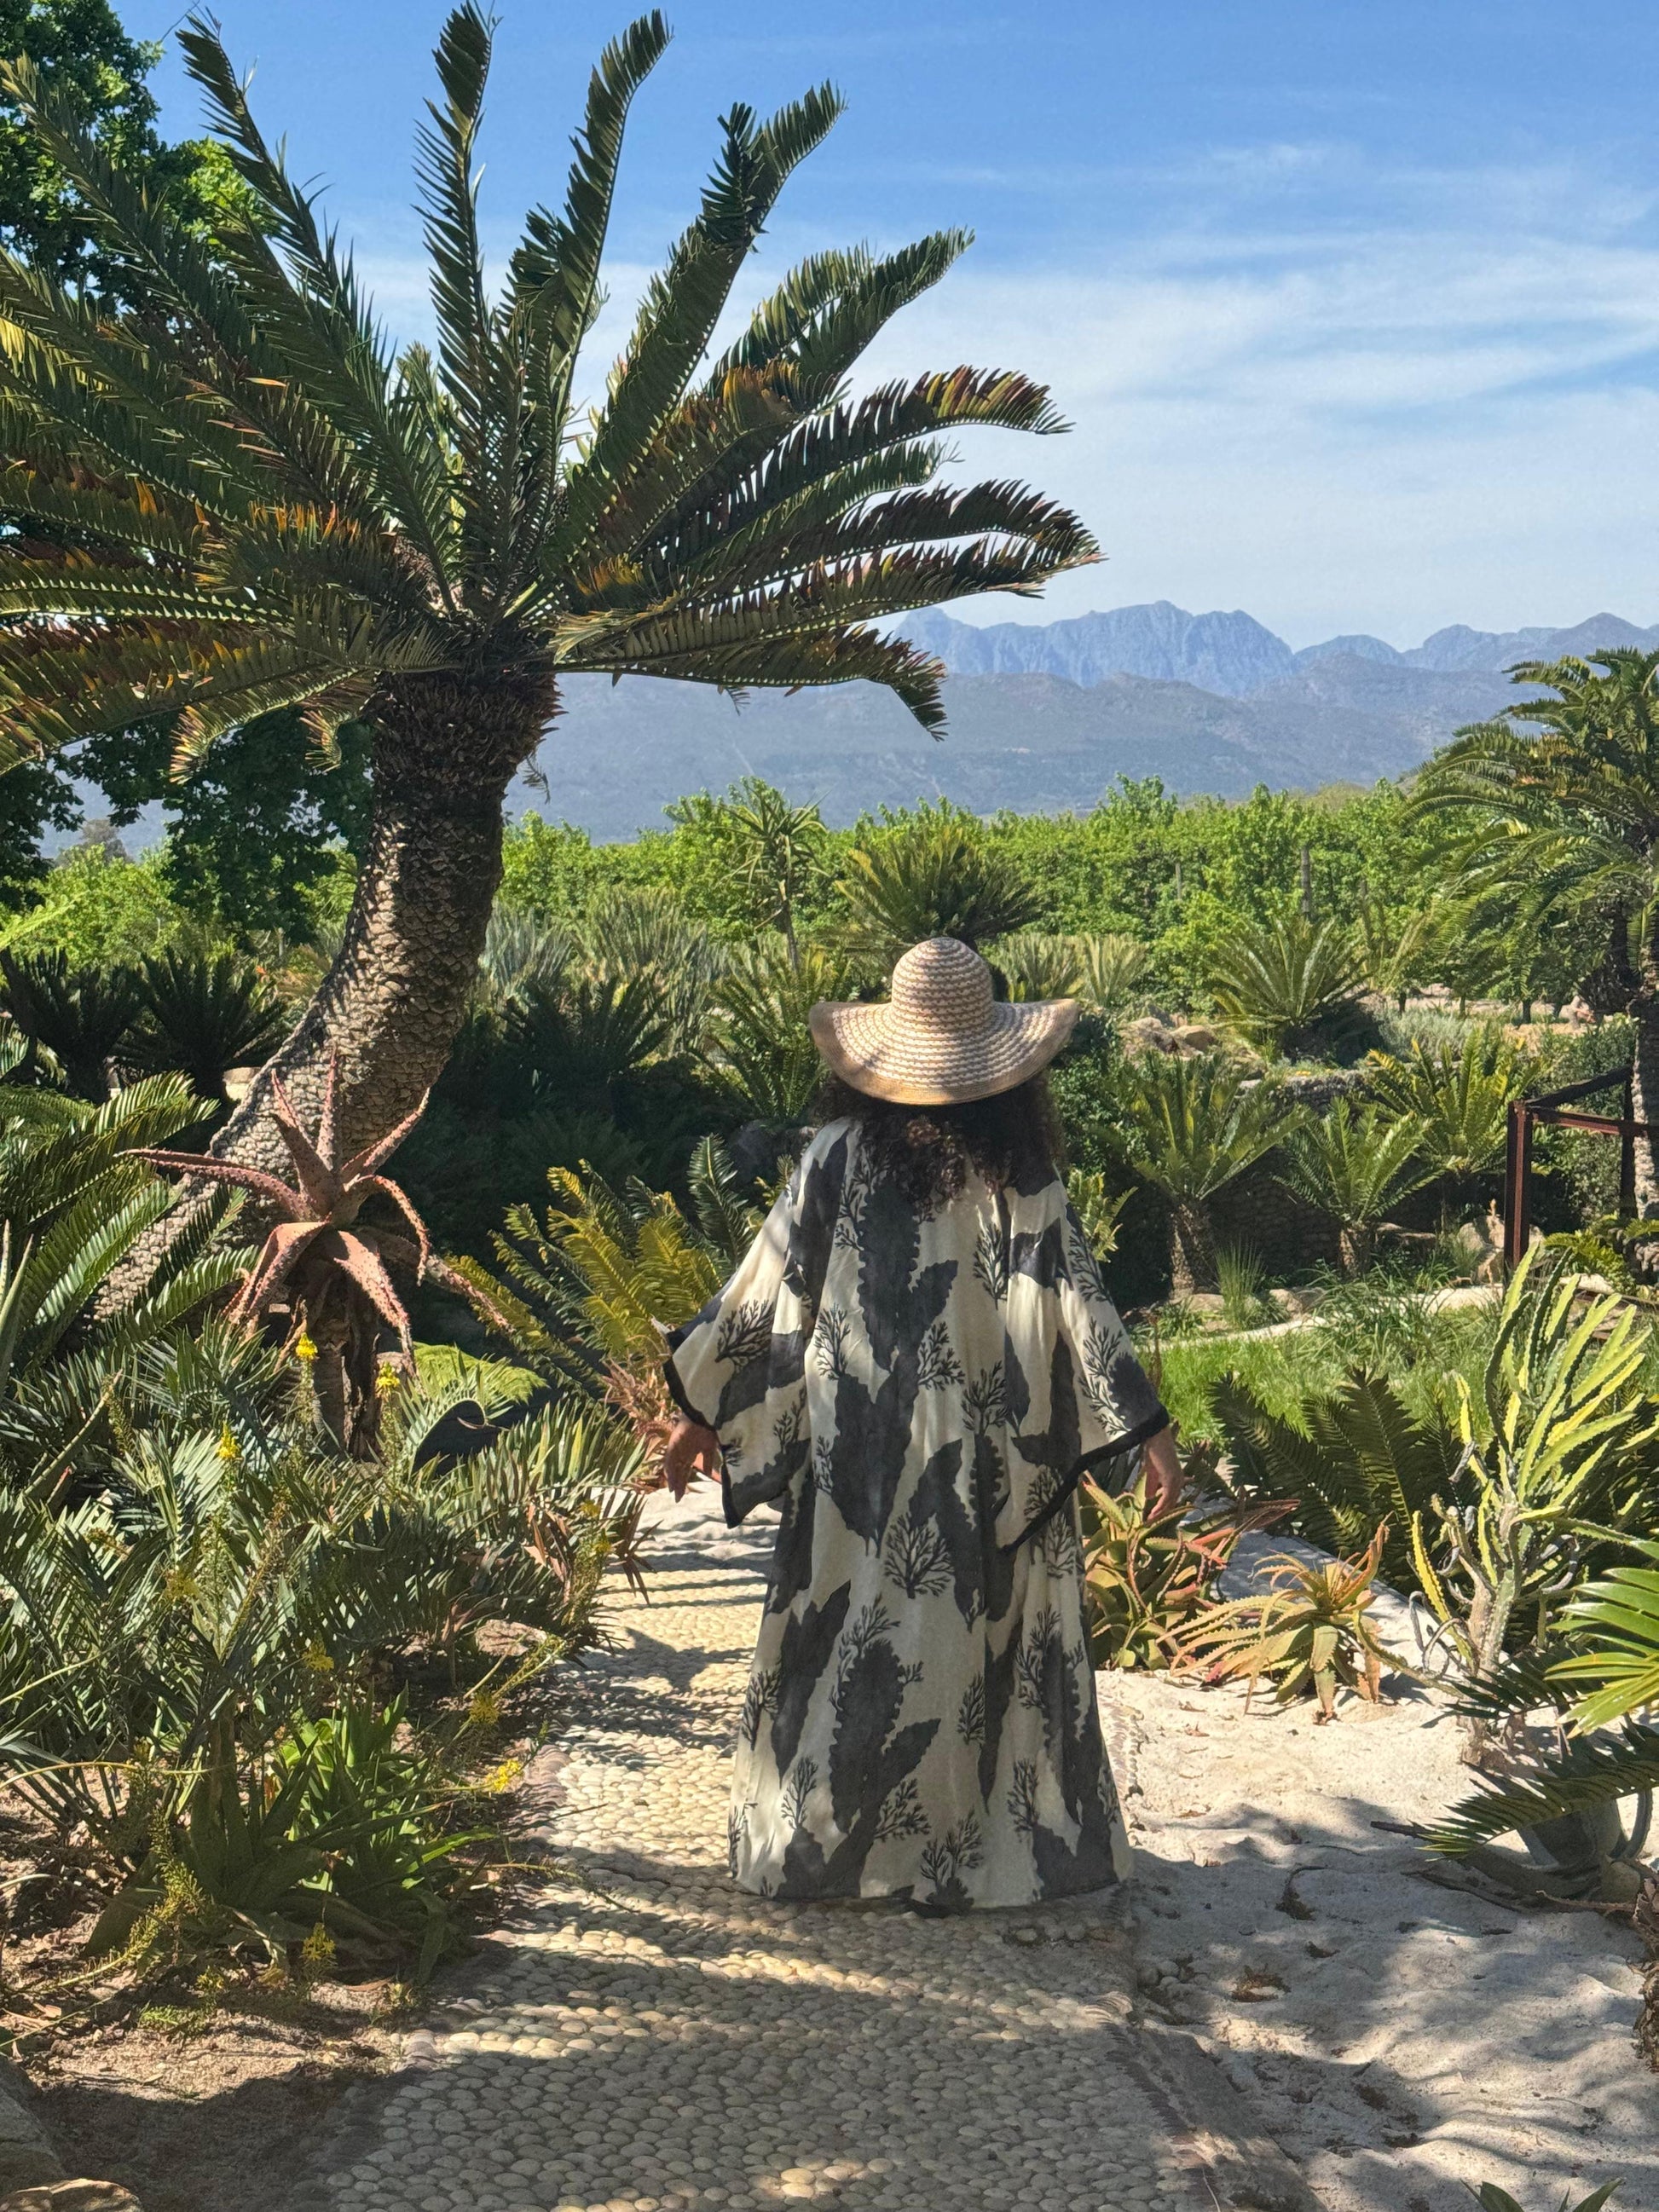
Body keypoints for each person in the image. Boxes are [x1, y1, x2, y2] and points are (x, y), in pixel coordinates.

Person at [662, 936, 1182, 1912]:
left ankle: (832, 1846)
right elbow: (1079, 1305)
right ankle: (960, 1849)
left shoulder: (832, 1157)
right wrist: (1143, 1425)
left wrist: (702, 1413)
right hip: (986, 1457)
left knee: (852, 1641)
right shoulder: (1018, 1176)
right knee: (958, 1649)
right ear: (1004, 1079)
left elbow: (761, 1300)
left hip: (849, 1454)